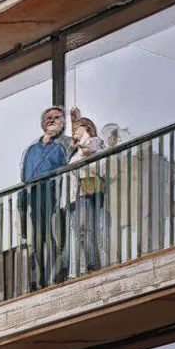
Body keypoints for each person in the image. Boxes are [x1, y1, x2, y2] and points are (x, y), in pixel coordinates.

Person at [21, 106, 71, 289]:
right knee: (36, 239)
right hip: (34, 196)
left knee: (53, 236)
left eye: (56, 117)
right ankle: (37, 281)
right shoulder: (32, 150)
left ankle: (54, 277)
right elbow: (25, 176)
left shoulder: (62, 146)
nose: (51, 120)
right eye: (48, 117)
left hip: (54, 195)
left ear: (63, 123)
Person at [69, 113, 108, 274]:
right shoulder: (78, 149)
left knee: (90, 228)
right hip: (81, 191)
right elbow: (72, 165)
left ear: (86, 127)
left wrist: (79, 147)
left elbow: (91, 153)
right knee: (82, 230)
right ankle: (86, 264)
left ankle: (92, 263)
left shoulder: (94, 141)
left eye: (76, 129)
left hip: (91, 187)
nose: (74, 132)